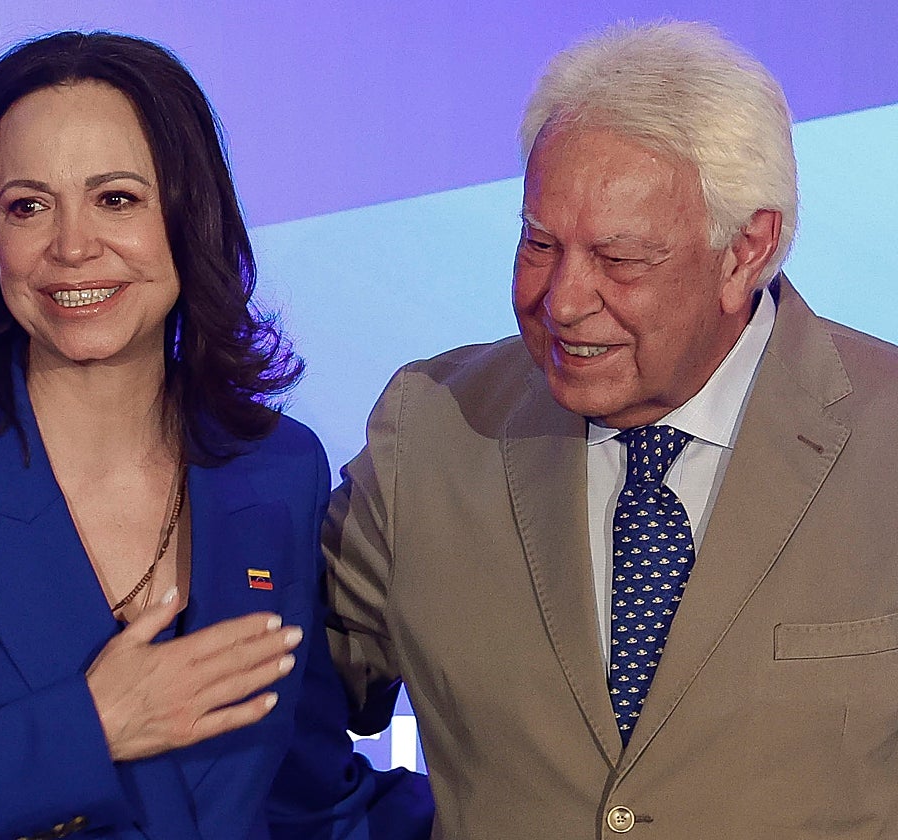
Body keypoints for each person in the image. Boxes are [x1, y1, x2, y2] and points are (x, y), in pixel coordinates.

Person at [0, 31, 431, 840]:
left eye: (116, 199)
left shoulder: (278, 467)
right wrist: (87, 731)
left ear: (189, 213)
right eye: (29, 206)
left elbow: (306, 799)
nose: (73, 247)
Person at [323, 19, 898, 839]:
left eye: (620, 259)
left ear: (747, 250)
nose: (561, 301)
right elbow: (274, 711)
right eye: (539, 243)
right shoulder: (432, 430)